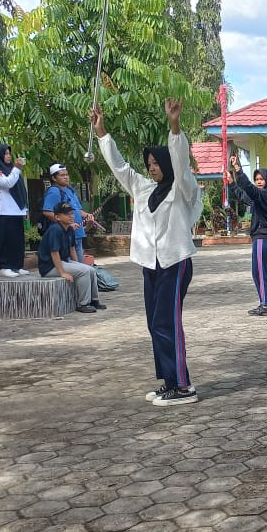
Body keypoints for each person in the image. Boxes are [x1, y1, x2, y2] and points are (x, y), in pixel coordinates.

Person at [93, 100, 202, 406]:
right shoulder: (142, 188)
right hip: (150, 264)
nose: (152, 167)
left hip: (175, 262)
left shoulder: (182, 188)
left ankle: (184, 386)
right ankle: (169, 381)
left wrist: (174, 126)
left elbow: (180, 161)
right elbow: (119, 167)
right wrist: (102, 133)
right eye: (149, 163)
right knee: (155, 324)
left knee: (168, 322)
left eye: (156, 163)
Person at [227, 156, 267, 316]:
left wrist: (238, 169)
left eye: (261, 179)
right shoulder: (259, 198)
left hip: (264, 238)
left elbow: (249, 189)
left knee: (261, 272)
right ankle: (264, 302)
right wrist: (231, 183)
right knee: (257, 272)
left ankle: (266, 305)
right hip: (260, 238)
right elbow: (244, 196)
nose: (258, 182)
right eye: (256, 179)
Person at [38, 202, 103, 313]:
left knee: (90, 270)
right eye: (66, 214)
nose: (71, 216)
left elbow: (72, 249)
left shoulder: (69, 229)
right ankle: (83, 304)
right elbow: (54, 253)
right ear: (57, 217)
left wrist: (78, 265)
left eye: (71, 213)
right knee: (84, 272)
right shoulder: (55, 229)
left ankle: (94, 300)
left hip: (64, 261)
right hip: (50, 267)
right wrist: (62, 272)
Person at [0, 144, 29, 278]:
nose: (8, 156)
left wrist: (25, 208)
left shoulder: (11, 169)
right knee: (4, 240)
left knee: (17, 240)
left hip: (16, 210)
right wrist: (17, 169)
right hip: (1, 210)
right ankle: (4, 267)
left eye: (9, 153)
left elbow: (21, 190)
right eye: (5, 154)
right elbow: (7, 183)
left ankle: (17, 265)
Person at [42, 164, 96, 263]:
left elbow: (78, 210)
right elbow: (47, 212)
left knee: (79, 263)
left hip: (77, 234)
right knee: (74, 265)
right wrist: (66, 225)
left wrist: (87, 215)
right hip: (66, 235)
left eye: (67, 175)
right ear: (54, 178)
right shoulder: (54, 192)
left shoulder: (70, 190)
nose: (66, 177)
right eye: (62, 175)